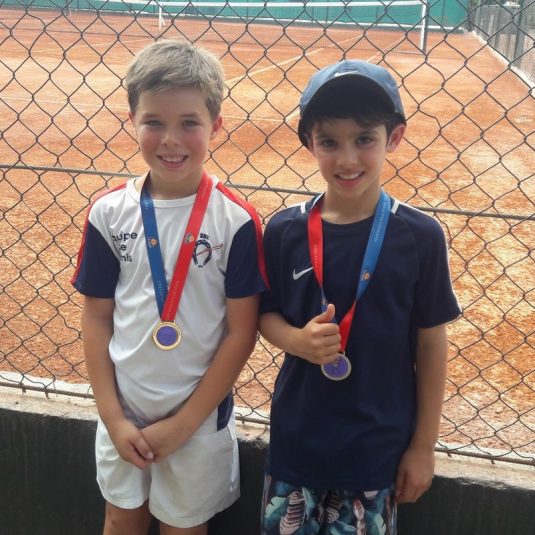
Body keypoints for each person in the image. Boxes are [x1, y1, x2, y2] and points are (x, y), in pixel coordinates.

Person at [71, 39, 267, 535]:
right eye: (154, 122)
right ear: (132, 120)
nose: (171, 139)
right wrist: (113, 418)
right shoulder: (108, 213)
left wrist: (184, 424)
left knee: (184, 527)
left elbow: (241, 332)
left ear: (216, 125)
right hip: (123, 412)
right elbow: (97, 316)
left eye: (189, 123)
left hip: (196, 421)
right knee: (120, 519)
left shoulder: (236, 221)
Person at [259, 60, 461, 534]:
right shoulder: (285, 230)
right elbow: (265, 314)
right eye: (329, 142)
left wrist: (423, 447)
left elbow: (431, 343)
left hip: (376, 452)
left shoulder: (420, 236)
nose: (347, 160)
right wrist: (295, 340)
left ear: (394, 137)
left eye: (364, 139)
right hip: (296, 444)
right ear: (309, 142)